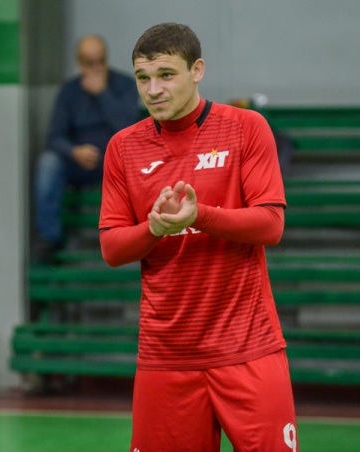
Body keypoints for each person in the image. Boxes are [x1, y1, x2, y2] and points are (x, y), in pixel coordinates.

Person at [99, 23, 297, 451]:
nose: (153, 90)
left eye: (166, 74)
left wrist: (200, 216)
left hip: (248, 348)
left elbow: (271, 224)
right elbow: (112, 249)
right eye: (143, 78)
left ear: (197, 70)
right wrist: (154, 228)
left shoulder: (246, 127)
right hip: (166, 355)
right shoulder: (122, 147)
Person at [33, 35, 139, 263]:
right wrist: (74, 152)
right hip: (80, 161)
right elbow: (54, 137)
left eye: (101, 61)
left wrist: (102, 93)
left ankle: (134, 234)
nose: (97, 69)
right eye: (90, 63)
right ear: (80, 64)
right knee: (48, 163)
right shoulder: (69, 91)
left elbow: (130, 128)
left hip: (117, 160)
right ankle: (50, 238)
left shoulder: (125, 85)